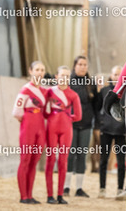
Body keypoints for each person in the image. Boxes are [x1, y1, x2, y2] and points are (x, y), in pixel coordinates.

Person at [64, 56, 101, 197]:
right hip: (70, 124)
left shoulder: (90, 83)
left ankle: (79, 188)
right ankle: (66, 186)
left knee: (82, 155)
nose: (83, 67)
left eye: (85, 65)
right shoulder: (68, 81)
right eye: (80, 64)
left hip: (86, 124)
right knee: (70, 155)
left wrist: (97, 124)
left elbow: (96, 106)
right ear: (75, 66)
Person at [12, 61, 48, 204]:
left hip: (40, 125)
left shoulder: (44, 91)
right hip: (28, 125)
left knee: (34, 161)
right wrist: (27, 121)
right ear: (30, 71)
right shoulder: (25, 90)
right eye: (37, 69)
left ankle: (30, 194)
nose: (40, 72)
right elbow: (16, 112)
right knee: (25, 159)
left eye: (42, 70)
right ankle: (23, 196)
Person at [45, 66, 82, 204]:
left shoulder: (73, 95)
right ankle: (50, 195)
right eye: (62, 75)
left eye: (67, 76)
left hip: (66, 130)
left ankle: (60, 195)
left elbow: (78, 116)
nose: (64, 78)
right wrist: (56, 116)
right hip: (51, 129)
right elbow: (44, 111)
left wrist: (65, 117)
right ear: (56, 77)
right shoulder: (49, 92)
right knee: (50, 160)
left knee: (63, 161)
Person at [98, 66, 126, 200]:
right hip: (106, 131)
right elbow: (97, 108)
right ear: (111, 75)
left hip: (121, 132)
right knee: (103, 160)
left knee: (121, 162)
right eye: (115, 74)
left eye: (119, 74)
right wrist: (100, 123)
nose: (116, 77)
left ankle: (120, 189)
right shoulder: (104, 91)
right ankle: (102, 189)